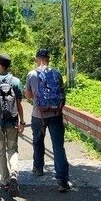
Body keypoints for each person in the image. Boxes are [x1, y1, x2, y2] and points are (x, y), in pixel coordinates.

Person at [24, 48, 71, 192]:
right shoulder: (56, 73)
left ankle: (38, 168)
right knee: (58, 146)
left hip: (39, 115)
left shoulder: (31, 74)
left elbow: (28, 96)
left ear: (36, 59)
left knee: (38, 141)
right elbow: (62, 94)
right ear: (48, 59)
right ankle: (62, 181)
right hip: (56, 114)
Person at [0, 53, 25, 196]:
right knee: (12, 149)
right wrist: (22, 121)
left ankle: (5, 180)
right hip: (12, 120)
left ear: (0, 65)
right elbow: (19, 103)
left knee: (1, 150)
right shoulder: (16, 81)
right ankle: (14, 172)